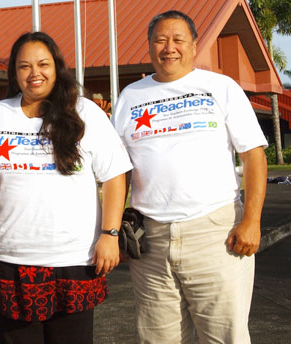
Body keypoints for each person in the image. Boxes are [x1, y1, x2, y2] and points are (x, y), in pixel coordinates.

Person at [111, 10, 268, 344]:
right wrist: (113, 230)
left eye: (178, 40)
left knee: (225, 336)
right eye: (160, 40)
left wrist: (252, 221)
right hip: (150, 241)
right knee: (158, 338)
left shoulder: (220, 87)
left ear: (195, 45)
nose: (169, 48)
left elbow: (254, 156)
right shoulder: (130, 97)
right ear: (150, 46)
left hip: (214, 234)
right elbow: (118, 170)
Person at [0, 32, 132, 344]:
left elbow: (115, 176)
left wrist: (110, 234)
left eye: (42, 64)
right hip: (13, 261)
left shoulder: (85, 112)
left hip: (74, 260)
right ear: (14, 73)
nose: (34, 73)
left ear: (57, 68)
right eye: (24, 66)